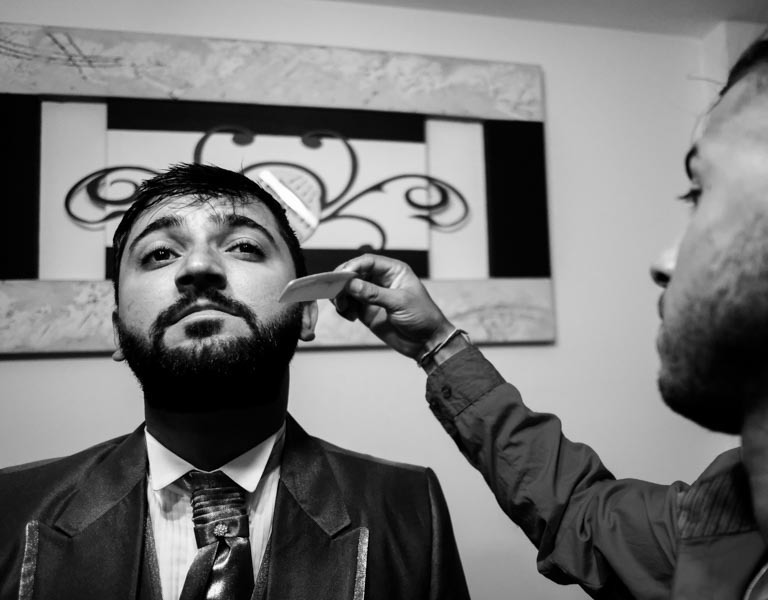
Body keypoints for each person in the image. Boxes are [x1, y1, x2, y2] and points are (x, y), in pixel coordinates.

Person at [331, 1, 768, 598]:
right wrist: (436, 344)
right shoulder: (723, 523)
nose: (665, 263)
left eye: (700, 191)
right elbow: (580, 513)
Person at [0, 163, 470, 600]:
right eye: (160, 253)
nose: (198, 268)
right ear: (118, 329)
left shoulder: (410, 507)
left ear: (307, 313)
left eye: (244, 246)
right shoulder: (9, 508)